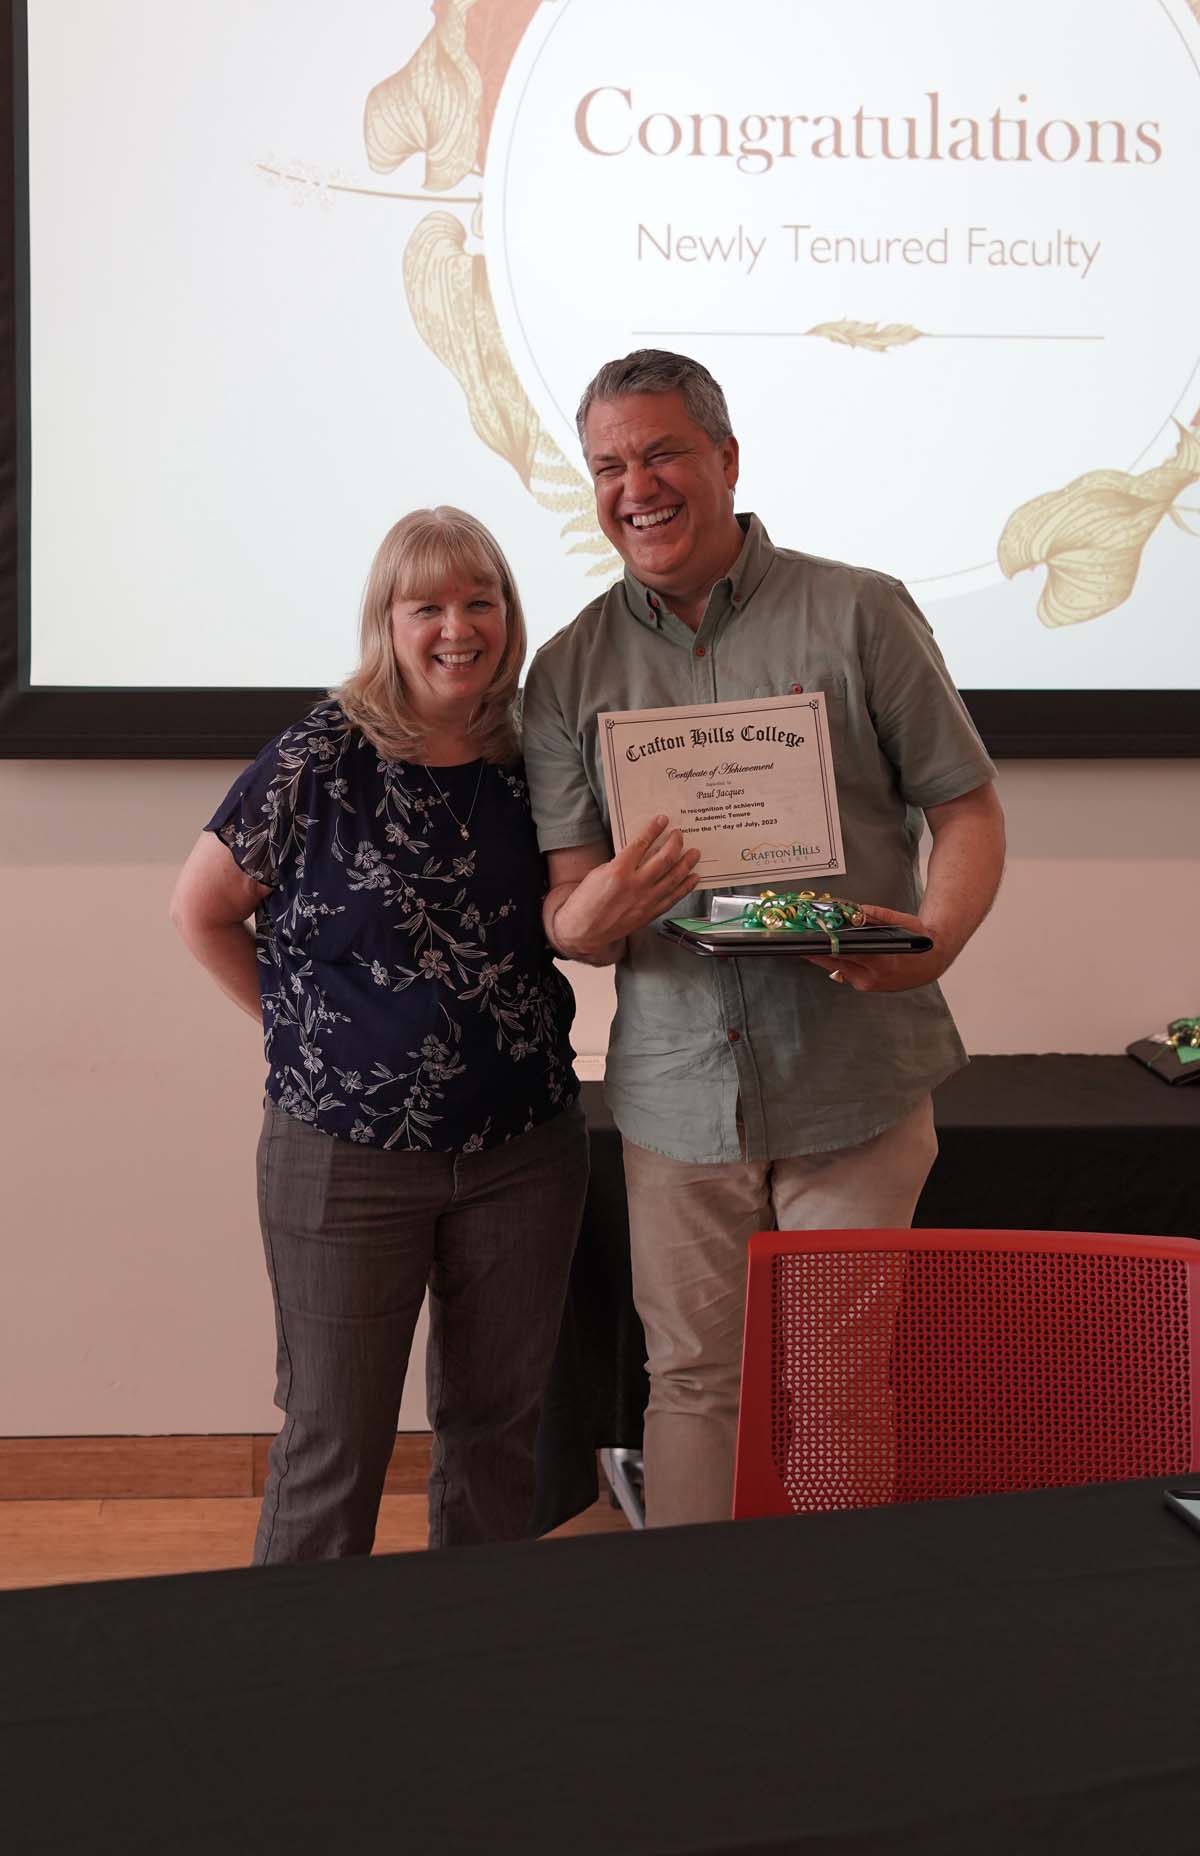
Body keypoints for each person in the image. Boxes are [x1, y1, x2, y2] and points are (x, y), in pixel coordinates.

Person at [521, 350, 1006, 1527]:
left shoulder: (859, 609)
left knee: (841, 1392)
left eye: (662, 451)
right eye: (607, 465)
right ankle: (699, 1651)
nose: (636, 485)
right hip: (678, 1092)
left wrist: (935, 937)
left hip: (854, 1074)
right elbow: (570, 912)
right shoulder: (569, 667)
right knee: (692, 1387)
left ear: (727, 461)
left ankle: (843, 1661)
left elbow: (967, 807)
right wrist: (602, 913)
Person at [170, 507, 588, 1559]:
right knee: (334, 1442)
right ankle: (296, 1700)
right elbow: (203, 909)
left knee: (498, 1437)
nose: (459, 627)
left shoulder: (539, 750)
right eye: (429, 606)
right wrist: (308, 1038)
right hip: (341, 1161)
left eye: (479, 601)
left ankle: (472, 1681)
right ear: (387, 622)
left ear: (509, 613)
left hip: (523, 1148)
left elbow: (576, 909)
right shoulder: (320, 754)